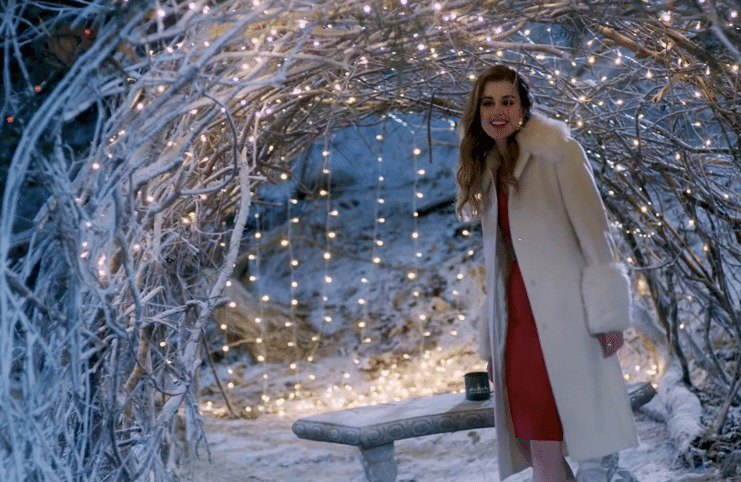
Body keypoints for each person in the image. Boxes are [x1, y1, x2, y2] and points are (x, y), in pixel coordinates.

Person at [456, 65, 638, 482]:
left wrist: (608, 317)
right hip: (516, 317)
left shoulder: (558, 152)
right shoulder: (486, 165)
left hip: (562, 316)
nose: (497, 111)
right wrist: (493, 340)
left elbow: (596, 235)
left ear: (523, 108)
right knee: (528, 442)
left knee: (544, 445)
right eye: (488, 102)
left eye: (507, 101)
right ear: (477, 111)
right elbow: (500, 258)